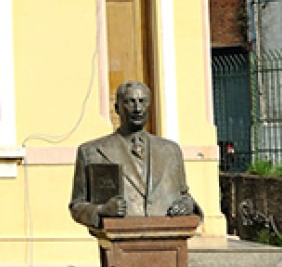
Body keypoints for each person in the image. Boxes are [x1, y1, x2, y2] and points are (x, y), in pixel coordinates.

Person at [69, 80, 200, 228]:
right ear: (117, 108)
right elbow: (77, 205)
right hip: (120, 241)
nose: (138, 108)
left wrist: (188, 205)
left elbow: (184, 195)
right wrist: (101, 211)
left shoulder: (170, 151)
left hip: (167, 239)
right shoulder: (92, 152)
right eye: (130, 102)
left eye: (142, 101)